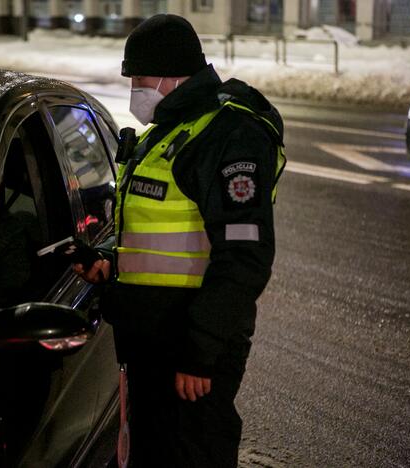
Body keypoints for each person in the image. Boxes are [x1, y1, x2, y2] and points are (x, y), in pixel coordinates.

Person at [73, 14, 286, 468]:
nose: (135, 88)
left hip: (189, 346)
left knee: (195, 453)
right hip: (153, 340)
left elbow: (245, 255)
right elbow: (157, 230)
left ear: (173, 73)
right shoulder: (169, 131)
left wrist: (200, 351)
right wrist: (112, 261)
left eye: (140, 78)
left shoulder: (227, 136)